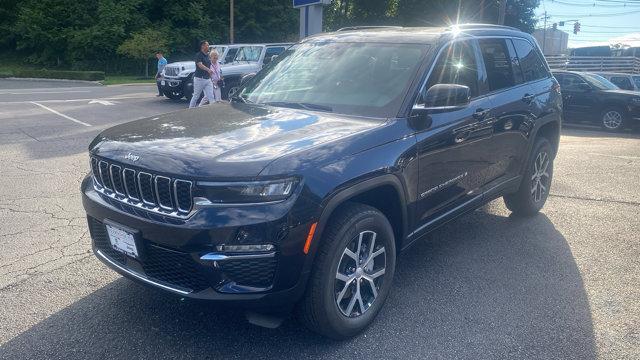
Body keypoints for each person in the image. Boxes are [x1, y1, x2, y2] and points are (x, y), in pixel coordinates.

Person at [189, 40, 215, 108]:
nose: (208, 46)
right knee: (196, 96)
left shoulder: (208, 55)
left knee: (211, 96)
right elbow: (200, 65)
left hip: (208, 79)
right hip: (199, 79)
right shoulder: (198, 55)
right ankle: (190, 109)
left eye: (208, 45)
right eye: (207, 45)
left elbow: (211, 64)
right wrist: (208, 70)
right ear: (202, 46)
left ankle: (213, 109)